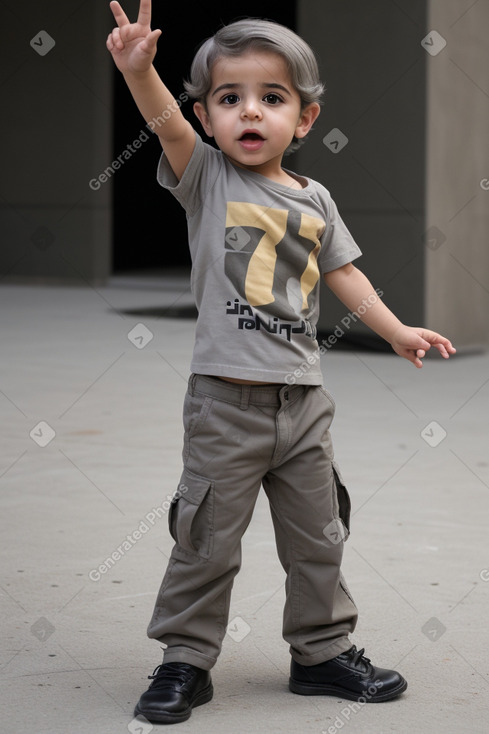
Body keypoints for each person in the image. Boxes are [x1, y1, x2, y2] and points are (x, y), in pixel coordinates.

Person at [107, 0, 456, 725]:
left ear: (304, 120)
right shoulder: (205, 177)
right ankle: (184, 661)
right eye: (228, 99)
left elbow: (345, 274)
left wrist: (395, 331)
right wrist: (139, 72)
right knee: (204, 540)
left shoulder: (315, 197)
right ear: (206, 118)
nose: (248, 113)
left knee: (319, 535)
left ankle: (322, 653)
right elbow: (164, 122)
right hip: (223, 407)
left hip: (302, 406)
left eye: (271, 98)